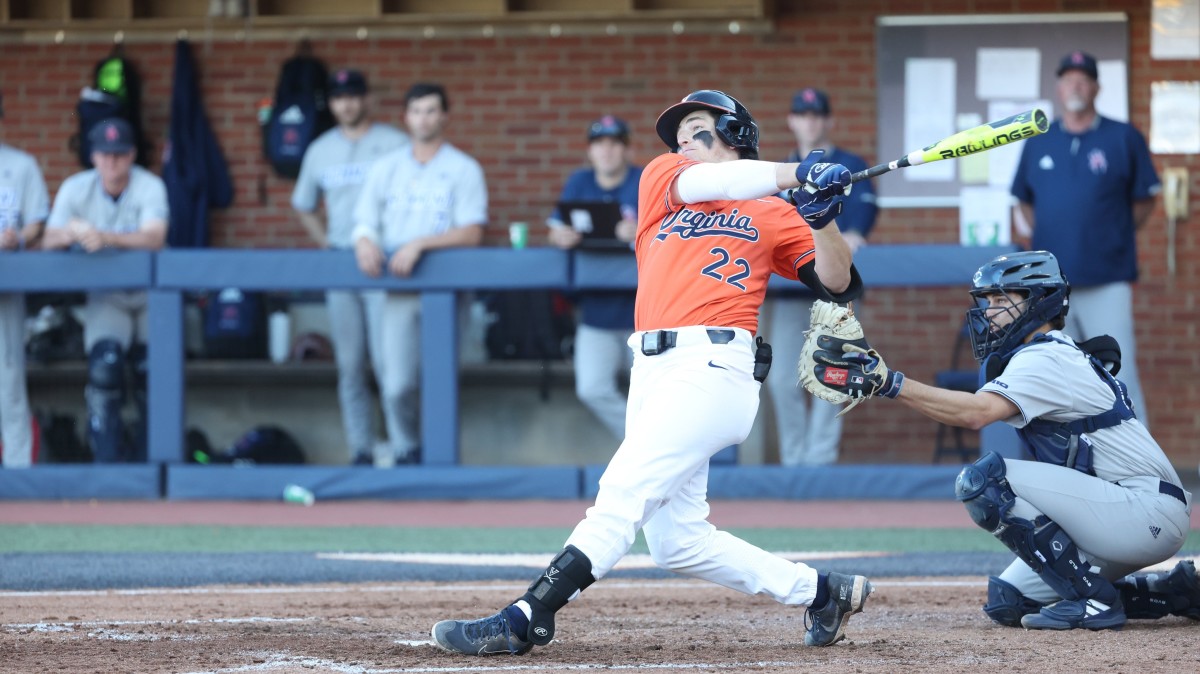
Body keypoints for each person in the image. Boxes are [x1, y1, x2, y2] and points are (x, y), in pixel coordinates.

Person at [431, 89, 873, 656]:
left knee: (622, 492)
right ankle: (820, 592)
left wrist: (824, 219)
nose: (684, 141)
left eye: (697, 129)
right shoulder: (664, 179)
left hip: (714, 367)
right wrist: (798, 171)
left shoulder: (775, 211)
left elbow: (837, 283)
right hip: (652, 368)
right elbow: (723, 183)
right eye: (680, 134)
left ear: (736, 133)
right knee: (677, 542)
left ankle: (527, 616)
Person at [809, 250, 1194, 630]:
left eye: (1000, 299)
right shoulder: (1045, 354)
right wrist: (887, 385)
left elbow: (975, 413)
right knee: (1009, 601)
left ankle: (1094, 601)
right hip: (1122, 513)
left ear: (1039, 303)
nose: (989, 311)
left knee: (985, 480)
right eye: (988, 300)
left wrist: (890, 383)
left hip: (1142, 511)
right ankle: (1171, 591)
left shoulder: (1047, 357)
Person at [1010, 50, 1159, 425]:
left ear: (1096, 87)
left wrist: (1111, 234)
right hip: (1052, 288)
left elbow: (1144, 201)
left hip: (1107, 278)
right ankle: (1076, 470)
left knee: (1118, 375)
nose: (1075, 85)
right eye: (1068, 79)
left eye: (1083, 79)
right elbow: (1025, 202)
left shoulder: (1123, 137)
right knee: (1060, 378)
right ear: (1059, 88)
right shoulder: (1038, 141)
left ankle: (1142, 473)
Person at [350, 83, 486, 466]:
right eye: (416, 111)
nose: (423, 118)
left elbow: (473, 232)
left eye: (431, 111)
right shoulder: (386, 167)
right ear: (405, 118)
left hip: (448, 289)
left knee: (441, 379)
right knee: (396, 384)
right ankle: (408, 448)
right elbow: (364, 221)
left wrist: (420, 243)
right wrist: (364, 240)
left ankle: (440, 458)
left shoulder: (463, 167)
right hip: (399, 289)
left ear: (444, 116)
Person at [292, 68, 409, 466]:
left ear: (367, 99)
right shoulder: (320, 148)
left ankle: (403, 446)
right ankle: (361, 448)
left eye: (354, 96)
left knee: (390, 361)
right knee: (350, 363)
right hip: (342, 259)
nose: (348, 104)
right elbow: (303, 203)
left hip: (385, 261)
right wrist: (326, 242)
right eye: (340, 97)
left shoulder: (394, 143)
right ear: (333, 103)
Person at [42, 117, 168, 463]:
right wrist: (72, 232)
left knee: (152, 371)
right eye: (105, 154)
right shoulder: (75, 187)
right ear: (93, 156)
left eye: (120, 153)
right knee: (105, 367)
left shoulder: (149, 185)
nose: (112, 161)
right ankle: (107, 464)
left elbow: (155, 238)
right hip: (106, 295)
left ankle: (151, 462)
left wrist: (106, 237)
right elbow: (47, 239)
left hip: (150, 295)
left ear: (132, 155)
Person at [766, 87, 877, 466]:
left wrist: (849, 236)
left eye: (816, 115)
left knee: (833, 376)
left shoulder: (850, 164)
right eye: (803, 114)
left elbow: (859, 229)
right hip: (789, 289)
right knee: (782, 379)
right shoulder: (781, 172)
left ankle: (819, 463)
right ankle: (794, 462)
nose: (810, 121)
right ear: (792, 121)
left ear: (828, 120)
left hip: (834, 293)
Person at [545, 115, 641, 440]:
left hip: (643, 314)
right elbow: (555, 228)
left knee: (655, 394)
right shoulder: (579, 182)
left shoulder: (644, 181)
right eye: (599, 143)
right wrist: (560, 236)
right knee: (591, 388)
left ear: (627, 149)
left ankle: (653, 454)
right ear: (590, 151)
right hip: (595, 313)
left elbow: (672, 233)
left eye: (615, 143)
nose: (607, 151)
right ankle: (642, 446)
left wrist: (639, 230)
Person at [0, 91, 51, 469]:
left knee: (8, 383)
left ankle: (18, 474)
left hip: (5, 285)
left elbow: (37, 222)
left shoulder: (19, 165)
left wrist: (17, 237)